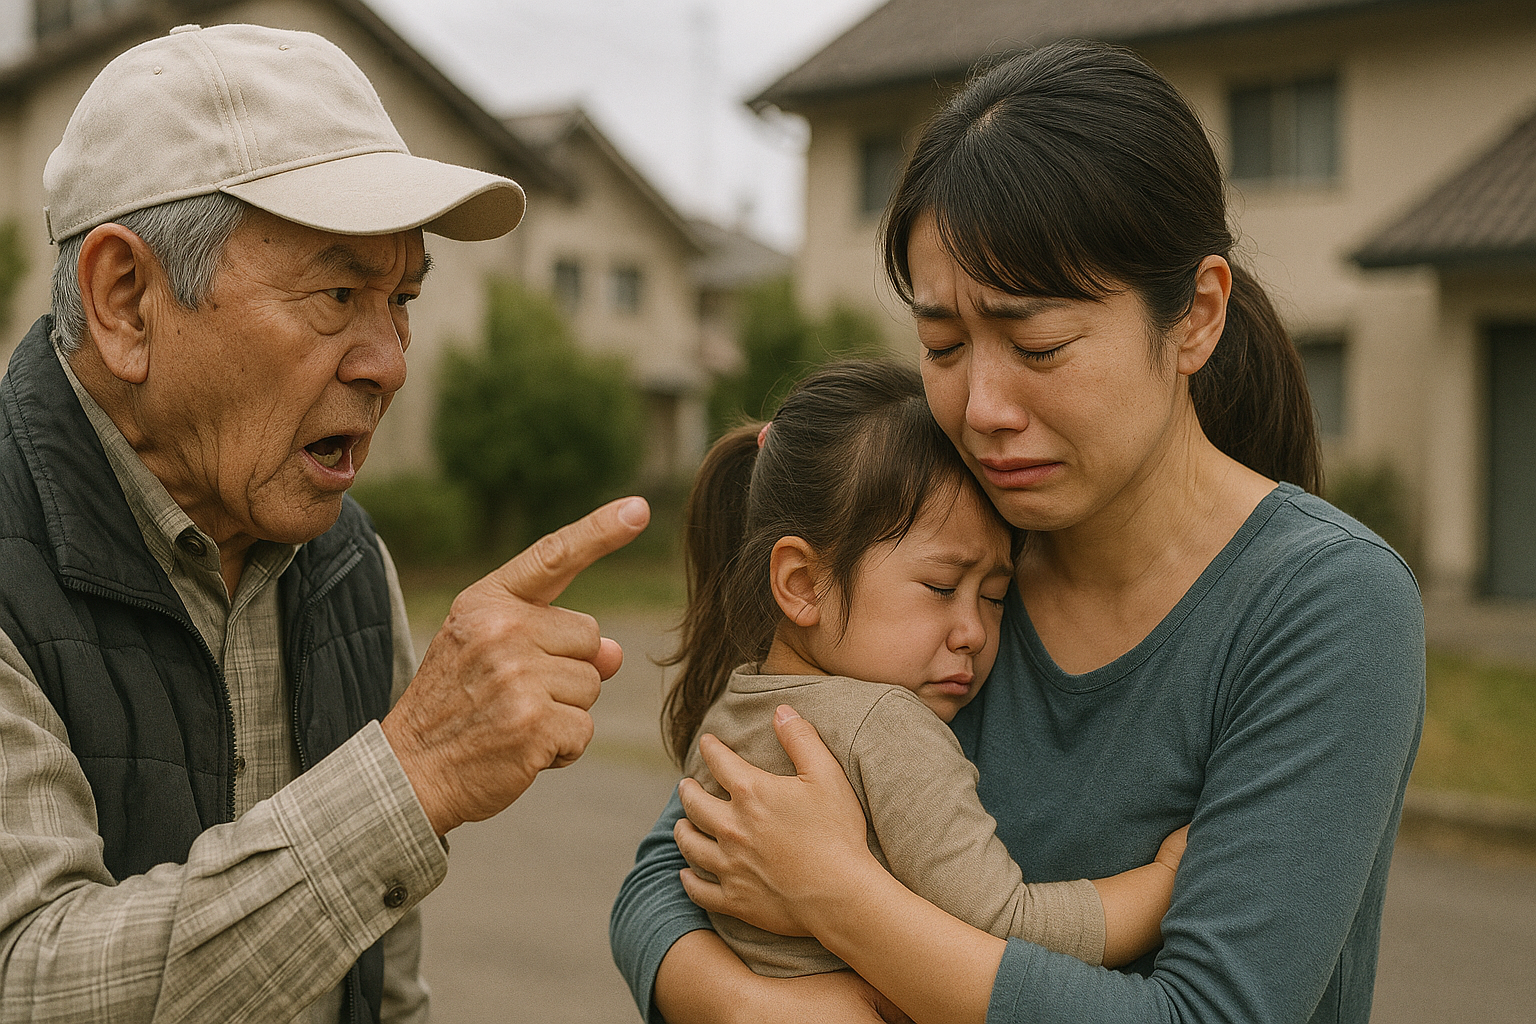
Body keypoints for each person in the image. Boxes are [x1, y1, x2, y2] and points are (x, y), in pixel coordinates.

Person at [610, 39, 1424, 1024]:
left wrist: (844, 899)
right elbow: (673, 865)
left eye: (1038, 344)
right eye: (943, 344)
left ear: (1196, 317)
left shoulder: (1324, 603)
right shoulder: (954, 539)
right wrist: (756, 1006)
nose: (983, 407)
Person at [0, 23, 648, 1024]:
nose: (388, 359)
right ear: (127, 301)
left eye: (402, 299)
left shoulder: (347, 566)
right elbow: (34, 980)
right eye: (338, 292)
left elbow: (382, 990)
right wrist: (411, 773)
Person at [665, 360, 1188, 979]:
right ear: (803, 584)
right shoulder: (887, 726)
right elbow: (1004, 928)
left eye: (994, 597)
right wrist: (1165, 885)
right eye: (941, 587)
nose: (973, 632)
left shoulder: (730, 707)